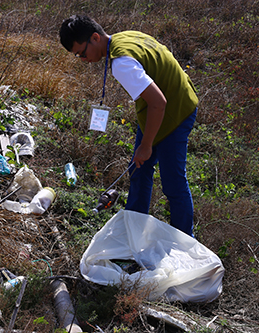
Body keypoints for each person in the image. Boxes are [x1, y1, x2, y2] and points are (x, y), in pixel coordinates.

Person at [59, 15, 198, 236]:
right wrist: (145, 145)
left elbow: (158, 103)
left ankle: (184, 241)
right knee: (139, 169)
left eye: (82, 53)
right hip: (164, 105)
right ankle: (134, 228)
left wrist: (147, 144)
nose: (83, 59)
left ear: (95, 37)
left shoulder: (121, 63)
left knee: (173, 183)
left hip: (175, 112)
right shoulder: (123, 38)